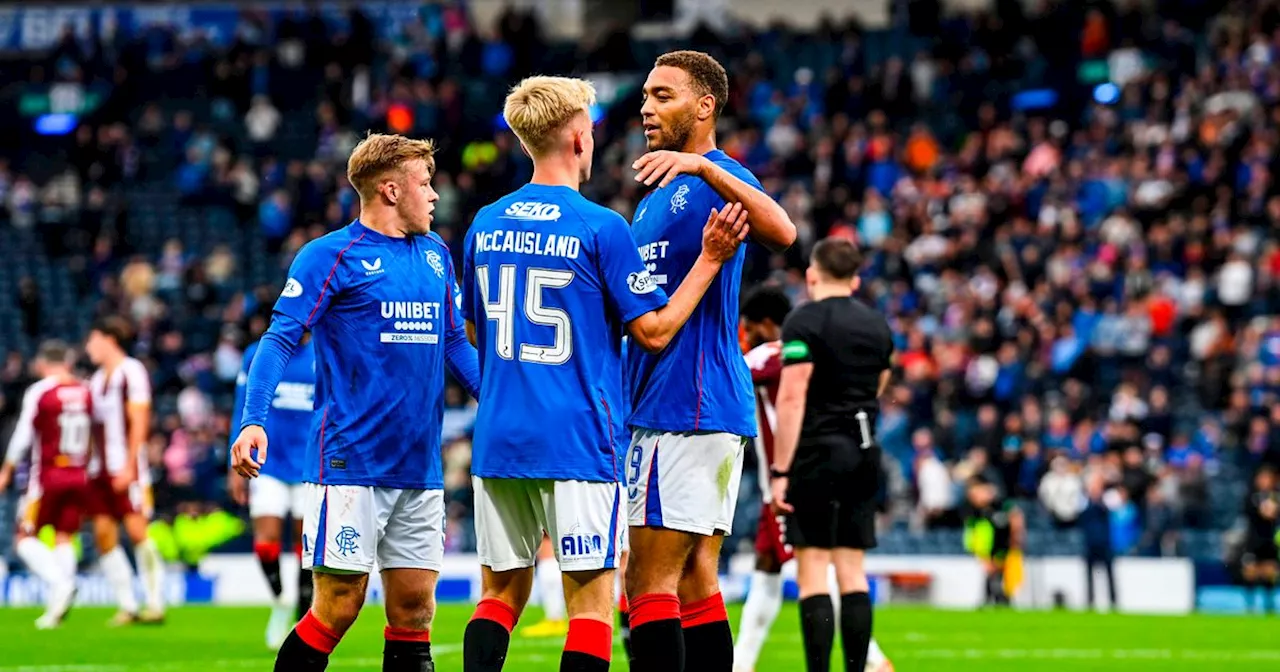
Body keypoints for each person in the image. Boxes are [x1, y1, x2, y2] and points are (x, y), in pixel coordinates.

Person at [460, 75, 748, 672]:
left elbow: (473, 333)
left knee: (497, 596)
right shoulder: (601, 226)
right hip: (577, 438)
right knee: (592, 607)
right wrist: (710, 260)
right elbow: (654, 331)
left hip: (498, 435)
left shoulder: (483, 223)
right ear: (577, 138)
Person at [231, 132, 480, 672]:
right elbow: (277, 340)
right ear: (390, 190)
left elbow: (455, 343)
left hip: (419, 467)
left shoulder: (436, 256)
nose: (435, 195)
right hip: (349, 466)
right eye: (425, 183)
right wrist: (253, 421)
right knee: (337, 608)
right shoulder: (328, 256)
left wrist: (500, 400)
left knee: (416, 612)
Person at [624, 50, 796, 672]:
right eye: (646, 94)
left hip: (685, 403)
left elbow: (782, 231)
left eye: (663, 95)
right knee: (696, 580)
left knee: (647, 582)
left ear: (704, 107)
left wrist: (701, 163)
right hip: (684, 405)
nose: (646, 106)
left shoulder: (718, 175)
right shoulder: (654, 195)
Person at [768, 238, 894, 672]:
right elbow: (881, 381)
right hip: (863, 449)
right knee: (853, 571)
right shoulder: (877, 324)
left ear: (812, 274)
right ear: (856, 279)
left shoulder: (803, 321)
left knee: (813, 570)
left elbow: (791, 397)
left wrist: (781, 469)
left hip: (817, 451)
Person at [228, 334, 317, 648]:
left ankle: (302, 619)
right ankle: (280, 601)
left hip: (310, 463)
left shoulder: (324, 347)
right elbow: (242, 404)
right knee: (266, 542)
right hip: (268, 462)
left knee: (308, 546)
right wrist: (234, 458)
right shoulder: (259, 351)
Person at [0, 340, 96, 628]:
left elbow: (23, 434)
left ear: (45, 363)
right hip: (80, 473)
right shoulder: (85, 391)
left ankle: (61, 584)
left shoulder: (42, 392)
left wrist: (7, 468)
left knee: (24, 538)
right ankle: (57, 608)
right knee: (64, 536)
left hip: (48, 475)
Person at [84, 316, 166, 625]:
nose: (89, 347)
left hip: (127, 467)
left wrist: (132, 465)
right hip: (99, 470)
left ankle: (155, 603)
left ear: (109, 339)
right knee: (104, 534)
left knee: (137, 531)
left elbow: (139, 419)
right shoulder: (95, 379)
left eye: (93, 340)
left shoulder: (132, 371)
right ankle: (127, 604)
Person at [963, 476, 1025, 607]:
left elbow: (1016, 518)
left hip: (1007, 548)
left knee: (1005, 579)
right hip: (991, 551)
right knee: (993, 577)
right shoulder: (975, 513)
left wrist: (1017, 537)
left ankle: (1002, 601)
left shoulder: (1002, 505)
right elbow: (974, 537)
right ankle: (992, 601)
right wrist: (982, 555)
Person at [1242, 466, 1279, 614]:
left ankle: (1268, 604)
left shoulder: (1275, 495)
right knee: (1251, 571)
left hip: (1269, 539)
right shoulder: (1252, 496)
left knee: (1269, 571)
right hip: (1253, 539)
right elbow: (1254, 512)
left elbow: (1272, 513)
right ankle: (1250, 604)